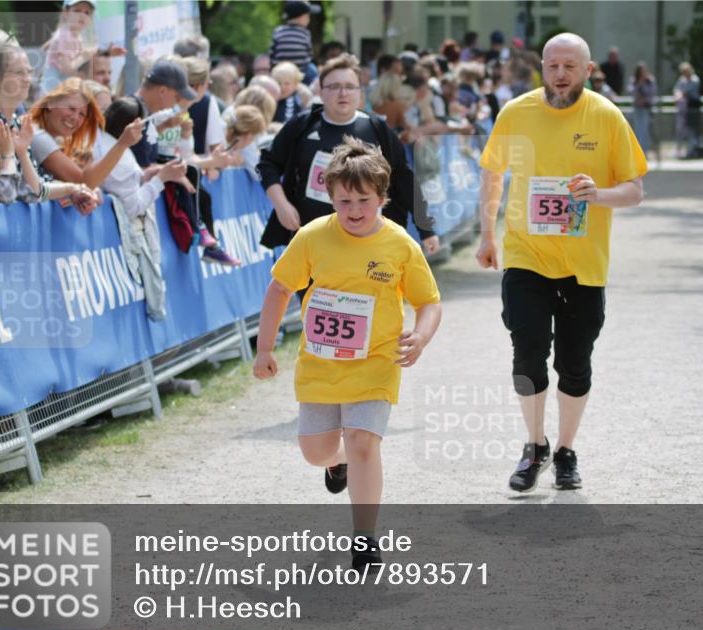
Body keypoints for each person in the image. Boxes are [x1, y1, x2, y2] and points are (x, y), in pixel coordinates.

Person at [252, 136, 442, 570]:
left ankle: (365, 539)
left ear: (382, 198)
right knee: (316, 452)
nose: (354, 210)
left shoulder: (399, 244)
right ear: (330, 196)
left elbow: (429, 302)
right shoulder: (312, 237)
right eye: (344, 202)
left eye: (364, 201)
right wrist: (264, 348)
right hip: (321, 364)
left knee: (362, 443)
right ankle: (336, 464)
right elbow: (280, 288)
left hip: (375, 363)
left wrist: (421, 336)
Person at [475, 32, 646, 493]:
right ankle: (535, 446)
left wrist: (599, 194)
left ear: (588, 70)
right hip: (525, 256)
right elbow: (492, 173)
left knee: (575, 363)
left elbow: (635, 189)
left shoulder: (606, 116)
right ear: (542, 68)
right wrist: (487, 234)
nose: (560, 74)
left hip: (583, 264)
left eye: (570, 66)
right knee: (527, 351)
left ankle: (566, 450)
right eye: (553, 65)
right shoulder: (516, 112)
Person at [258, 54, 440, 257]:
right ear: (321, 91)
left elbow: (405, 179)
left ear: (359, 92)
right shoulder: (302, 126)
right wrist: (281, 205)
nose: (342, 93)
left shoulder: (376, 129)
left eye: (350, 86)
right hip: (314, 240)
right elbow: (267, 164)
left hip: (368, 244)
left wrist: (426, 229)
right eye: (334, 87)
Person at [40, 0, 125, 94]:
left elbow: (86, 55)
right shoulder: (65, 36)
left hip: (60, 91)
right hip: (53, 93)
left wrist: (106, 52)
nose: (82, 15)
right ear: (66, 12)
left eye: (87, 13)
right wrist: (83, 57)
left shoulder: (74, 36)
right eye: (77, 11)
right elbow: (66, 69)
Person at [268, 0, 320, 86]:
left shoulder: (278, 31)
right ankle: (314, 87)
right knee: (313, 69)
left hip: (281, 70)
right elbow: (309, 54)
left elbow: (271, 53)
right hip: (301, 72)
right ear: (301, 17)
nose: (309, 19)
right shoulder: (305, 33)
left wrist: (273, 65)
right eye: (308, 16)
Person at [672, 61, 701, 159]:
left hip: (692, 108)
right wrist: (677, 95)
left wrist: (678, 96)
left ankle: (691, 151)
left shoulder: (695, 80)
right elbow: (676, 89)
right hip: (683, 109)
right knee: (680, 130)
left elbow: (685, 91)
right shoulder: (682, 79)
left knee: (691, 130)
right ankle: (679, 150)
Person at [629, 62, 656, 159]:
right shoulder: (634, 80)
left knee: (645, 130)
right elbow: (631, 91)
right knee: (637, 130)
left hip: (646, 108)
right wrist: (639, 83)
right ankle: (638, 152)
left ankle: (645, 151)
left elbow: (652, 93)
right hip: (637, 108)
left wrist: (644, 100)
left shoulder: (650, 80)